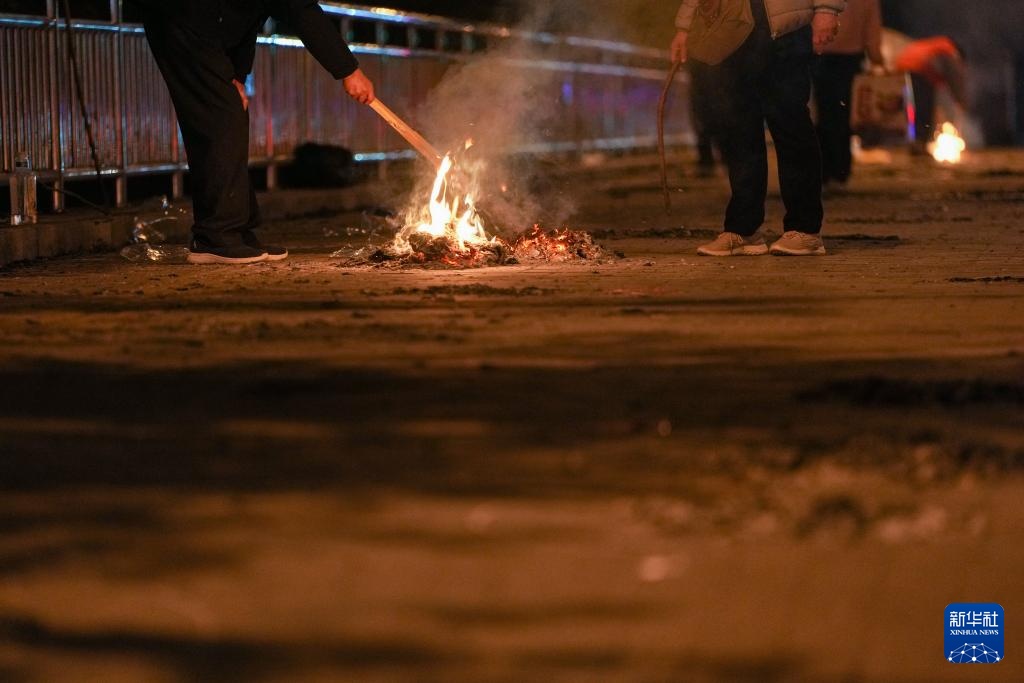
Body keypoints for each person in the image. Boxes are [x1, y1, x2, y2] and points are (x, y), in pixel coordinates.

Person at [132, 1, 376, 264]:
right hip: (183, 20)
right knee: (219, 121)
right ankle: (215, 237)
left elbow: (248, 17)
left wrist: (238, 74)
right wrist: (348, 70)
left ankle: (237, 230)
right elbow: (301, 11)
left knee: (232, 118)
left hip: (209, 25)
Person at [671, 0, 845, 257]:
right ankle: (743, 229)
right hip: (732, 29)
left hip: (784, 30)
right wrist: (684, 27)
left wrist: (827, 10)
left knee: (790, 125)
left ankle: (805, 229)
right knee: (739, 130)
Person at [812, 0, 884, 188]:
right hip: (850, 58)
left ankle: (823, 171)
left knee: (823, 113)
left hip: (821, 53)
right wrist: (876, 57)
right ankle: (840, 171)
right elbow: (872, 25)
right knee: (842, 115)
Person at [895, 37, 967, 153]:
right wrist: (961, 100)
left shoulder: (937, 47)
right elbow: (954, 77)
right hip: (918, 69)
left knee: (911, 109)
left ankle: (914, 141)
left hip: (902, 67)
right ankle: (919, 143)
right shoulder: (949, 51)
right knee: (924, 108)